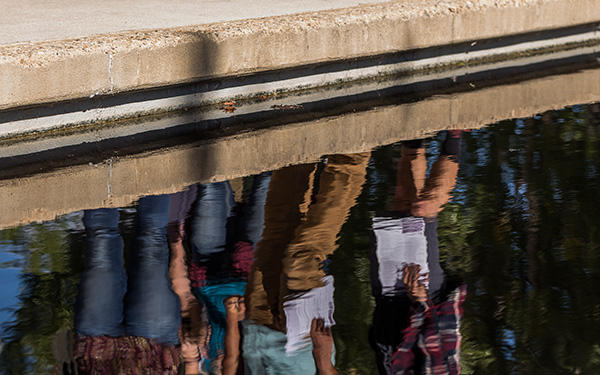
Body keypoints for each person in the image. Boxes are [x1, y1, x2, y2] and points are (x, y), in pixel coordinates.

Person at [369, 131, 467, 375]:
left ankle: (415, 135)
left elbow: (384, 352)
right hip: (426, 295)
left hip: (387, 299)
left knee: (403, 200)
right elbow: (442, 346)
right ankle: (455, 134)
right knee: (424, 208)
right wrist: (421, 303)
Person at [54, 195, 182, 374]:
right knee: (151, 242)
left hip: (96, 353)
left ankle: (101, 169)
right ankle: (153, 168)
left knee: (100, 242)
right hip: (154, 355)